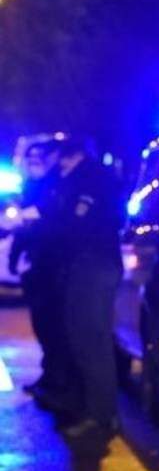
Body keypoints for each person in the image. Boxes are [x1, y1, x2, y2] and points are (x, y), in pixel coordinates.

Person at [36, 137, 125, 438]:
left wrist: (41, 219)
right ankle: (96, 409)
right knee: (84, 338)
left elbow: (73, 222)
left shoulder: (90, 178)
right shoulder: (84, 176)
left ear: (66, 156)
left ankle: (101, 414)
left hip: (92, 266)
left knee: (90, 340)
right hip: (87, 265)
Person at [10, 137, 71, 409]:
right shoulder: (31, 187)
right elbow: (23, 229)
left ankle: (57, 381)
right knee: (42, 324)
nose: (33, 164)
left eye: (38, 159)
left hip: (50, 266)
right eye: (30, 159)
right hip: (35, 264)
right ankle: (50, 377)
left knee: (52, 326)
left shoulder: (53, 187)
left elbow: (46, 226)